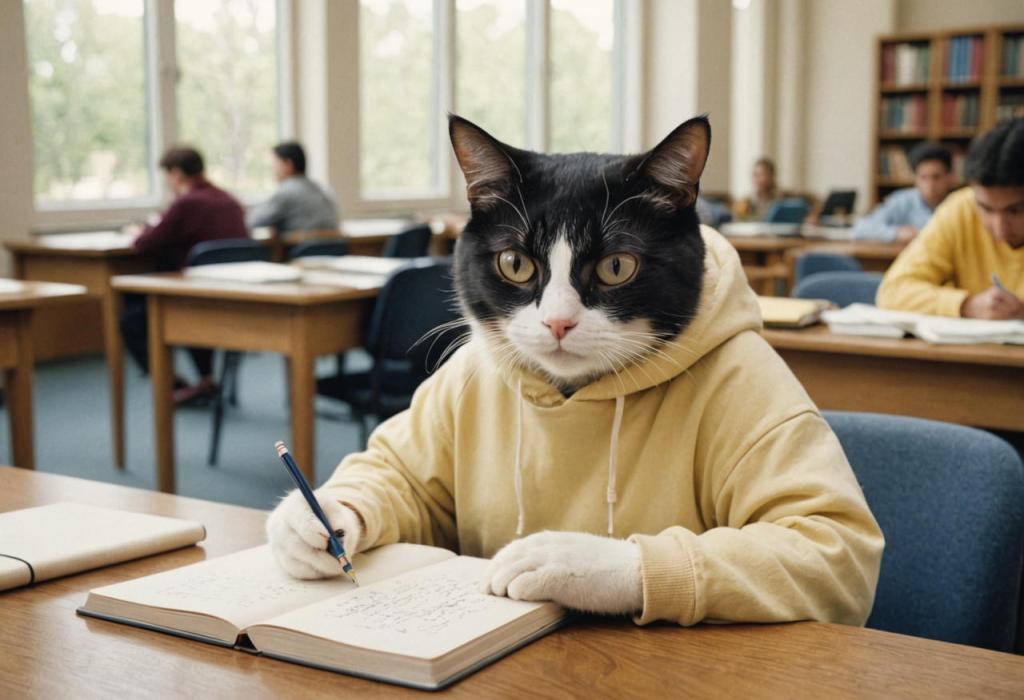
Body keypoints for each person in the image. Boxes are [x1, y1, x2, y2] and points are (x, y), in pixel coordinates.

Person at [266, 114, 883, 628]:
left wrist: (643, 574)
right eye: (517, 267)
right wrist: (345, 511)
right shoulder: (484, 363)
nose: (556, 318)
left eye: (612, 269)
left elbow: (839, 559)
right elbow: (404, 477)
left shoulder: (734, 373)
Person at [121, 146, 249, 403]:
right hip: (237, 295)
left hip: (198, 299)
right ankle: (205, 380)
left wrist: (138, 232)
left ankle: (172, 382)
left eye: (167, 176)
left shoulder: (187, 203)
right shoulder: (229, 200)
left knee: (131, 316)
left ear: (176, 173)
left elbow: (145, 244)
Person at [877, 118, 1024, 319]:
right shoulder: (961, 208)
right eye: (986, 209)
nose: (1000, 230)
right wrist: (966, 305)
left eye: (1015, 211)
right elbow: (893, 291)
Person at [853, 143, 956, 244]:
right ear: (915, 178)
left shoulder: (958, 205)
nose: (930, 184)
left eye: (936, 177)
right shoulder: (901, 201)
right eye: (923, 177)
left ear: (949, 177)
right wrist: (896, 233)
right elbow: (860, 229)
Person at [246, 141, 339, 235]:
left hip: (300, 248)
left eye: (274, 164)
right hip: (334, 249)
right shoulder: (323, 190)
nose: (272, 170)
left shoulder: (287, 191)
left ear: (288, 165)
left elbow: (252, 221)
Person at [734, 157, 781, 221]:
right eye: (755, 175)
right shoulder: (747, 201)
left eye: (762, 174)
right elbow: (738, 220)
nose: (758, 179)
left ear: (771, 175)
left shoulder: (781, 199)